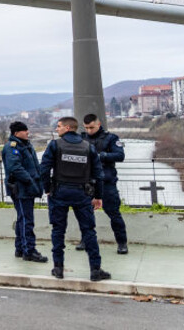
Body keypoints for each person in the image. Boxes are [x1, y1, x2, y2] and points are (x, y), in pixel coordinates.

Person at [39, 116, 110, 281]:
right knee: (88, 231)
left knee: (58, 230)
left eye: (59, 126)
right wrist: (98, 196)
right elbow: (99, 174)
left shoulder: (55, 146)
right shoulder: (88, 147)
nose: (57, 129)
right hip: (82, 194)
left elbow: (44, 169)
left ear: (68, 128)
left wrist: (48, 189)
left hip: (59, 193)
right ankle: (95, 270)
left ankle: (58, 268)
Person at [76, 113, 128, 254]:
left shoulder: (111, 138)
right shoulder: (82, 138)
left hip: (106, 182)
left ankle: (122, 243)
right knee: (85, 214)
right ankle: (85, 240)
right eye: (86, 128)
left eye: (91, 127)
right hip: (87, 183)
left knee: (114, 214)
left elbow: (120, 155)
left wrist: (101, 156)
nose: (89, 130)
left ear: (98, 124)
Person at [2, 121, 46, 262]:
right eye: (25, 130)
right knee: (27, 220)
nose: (28, 132)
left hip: (28, 188)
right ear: (16, 133)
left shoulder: (25, 146)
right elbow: (15, 167)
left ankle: (20, 248)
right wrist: (30, 181)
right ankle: (29, 251)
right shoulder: (12, 147)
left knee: (23, 219)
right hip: (21, 189)